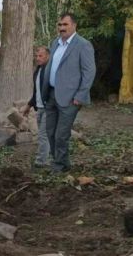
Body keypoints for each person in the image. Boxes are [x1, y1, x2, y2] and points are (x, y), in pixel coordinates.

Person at [42, 13, 96, 173]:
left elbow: (89, 72)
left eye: (65, 25)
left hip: (71, 98)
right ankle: (62, 162)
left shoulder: (83, 45)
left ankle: (59, 166)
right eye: (59, 25)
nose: (61, 28)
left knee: (61, 134)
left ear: (74, 26)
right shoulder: (55, 43)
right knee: (50, 132)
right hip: (51, 95)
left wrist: (80, 95)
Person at [19, 46, 50, 168]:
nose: (38, 58)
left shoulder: (50, 71)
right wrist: (29, 106)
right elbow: (36, 92)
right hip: (40, 107)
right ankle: (49, 156)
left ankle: (41, 161)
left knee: (43, 134)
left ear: (48, 56)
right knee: (47, 134)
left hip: (49, 107)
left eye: (40, 56)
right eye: (36, 56)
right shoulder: (38, 71)